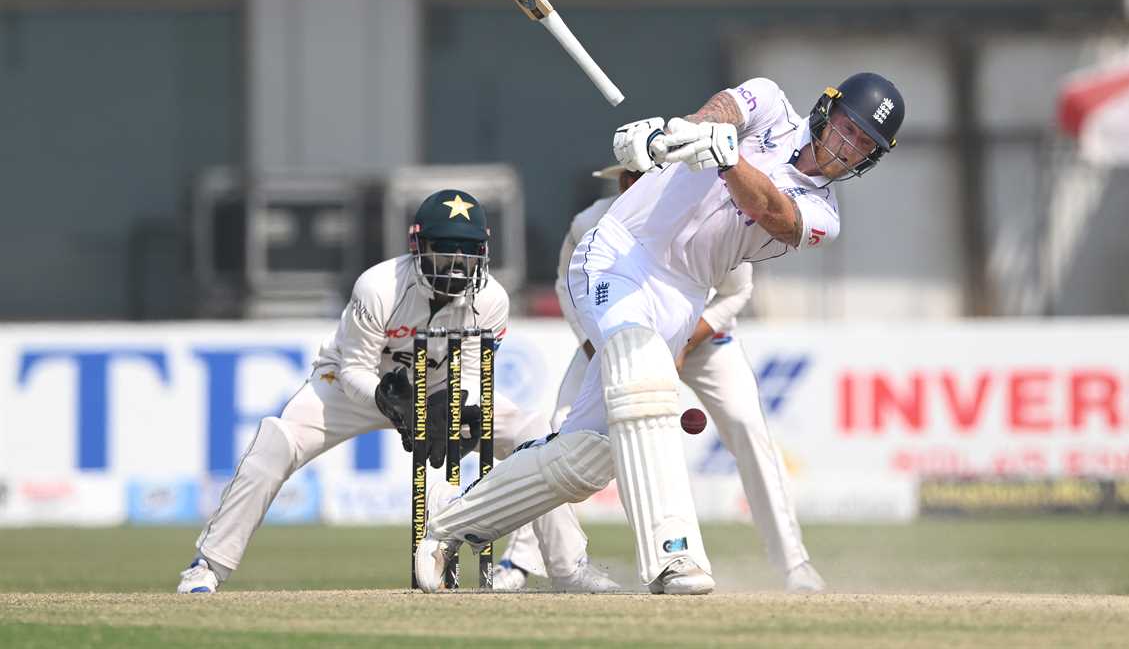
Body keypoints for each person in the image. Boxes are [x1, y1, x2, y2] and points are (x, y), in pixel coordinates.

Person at [415, 73, 905, 595]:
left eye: (863, 146)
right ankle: (674, 557)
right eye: (847, 129)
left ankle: (448, 525)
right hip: (620, 254)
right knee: (647, 380)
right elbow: (718, 113)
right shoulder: (771, 105)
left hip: (684, 294)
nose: (847, 147)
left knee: (590, 456)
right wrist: (673, 138)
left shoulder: (824, 215)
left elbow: (774, 213)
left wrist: (729, 160)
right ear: (827, 111)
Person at [177, 189, 618, 593]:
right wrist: (390, 402)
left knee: (532, 432)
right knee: (276, 441)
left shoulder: (492, 300)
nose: (457, 266)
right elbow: (353, 370)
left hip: (441, 387)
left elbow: (470, 372)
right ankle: (208, 566)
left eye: (468, 254)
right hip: (358, 387)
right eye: (445, 254)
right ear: (418, 249)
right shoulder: (378, 287)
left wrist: (455, 408)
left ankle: (567, 568)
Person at [493, 165, 825, 593]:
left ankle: (794, 564)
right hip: (618, 337)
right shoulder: (591, 223)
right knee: (559, 427)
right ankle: (519, 561)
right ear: (621, 183)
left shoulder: (716, 215)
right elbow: (566, 284)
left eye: (652, 173)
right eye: (632, 177)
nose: (641, 184)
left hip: (703, 342)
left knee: (746, 424)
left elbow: (736, 293)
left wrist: (684, 341)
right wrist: (597, 338)